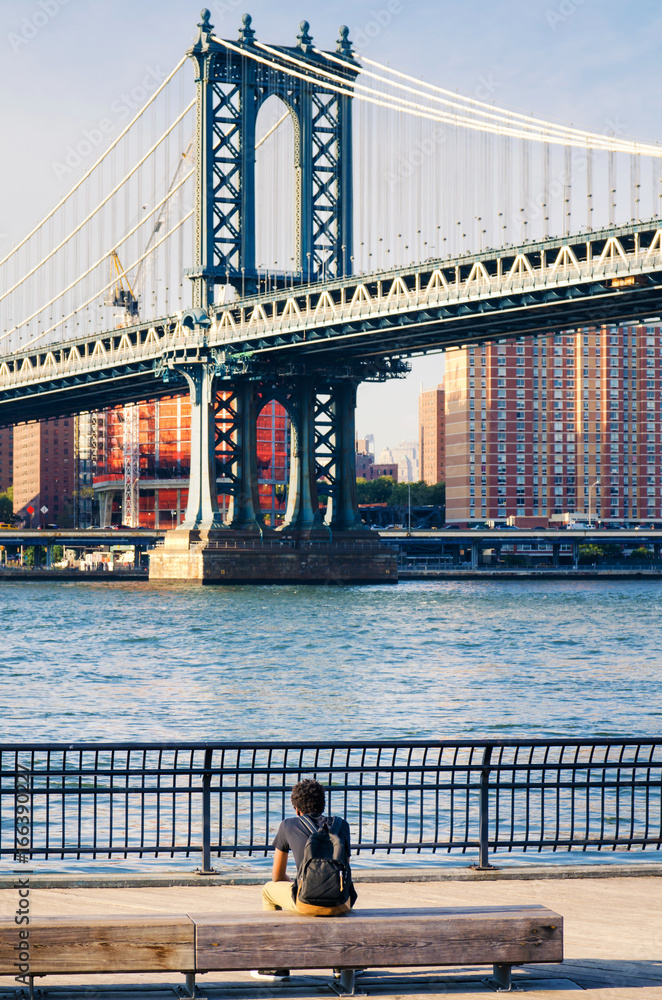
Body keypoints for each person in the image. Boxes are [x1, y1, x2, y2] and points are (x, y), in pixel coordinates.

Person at [251, 778, 358, 982]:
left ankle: (276, 965)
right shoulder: (341, 825)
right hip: (342, 903)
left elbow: (277, 876)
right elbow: (346, 869)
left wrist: (300, 884)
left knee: (267, 890)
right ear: (323, 804)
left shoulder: (288, 825)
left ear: (296, 808)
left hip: (306, 902)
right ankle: (340, 965)